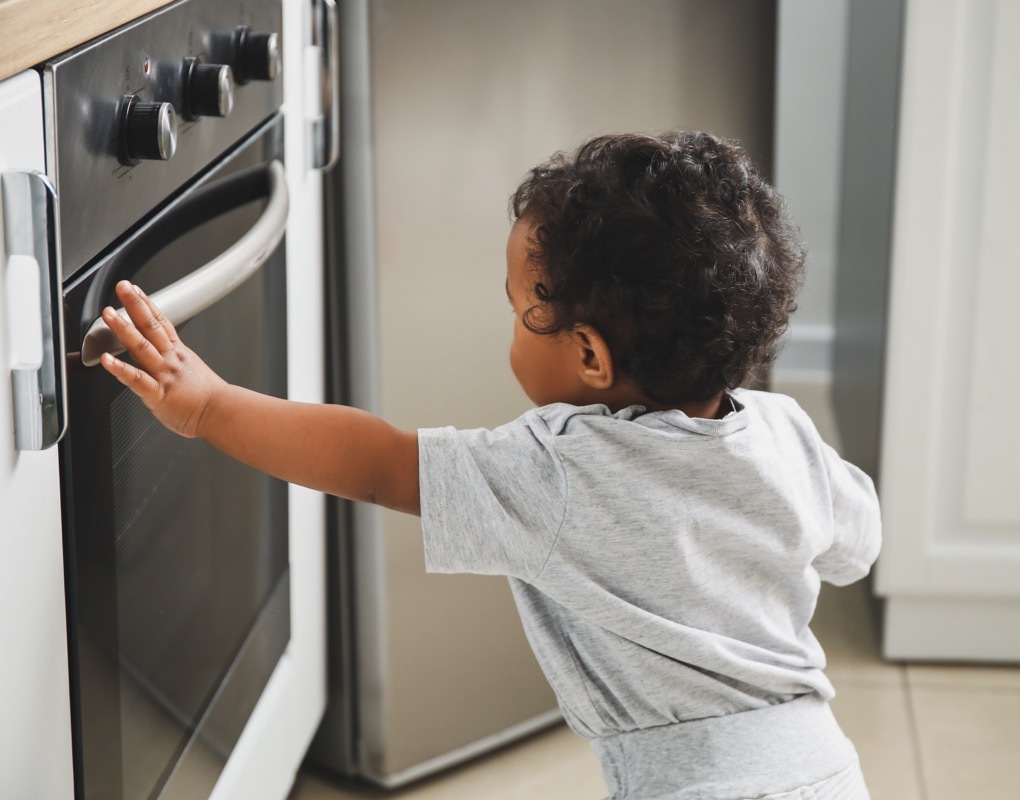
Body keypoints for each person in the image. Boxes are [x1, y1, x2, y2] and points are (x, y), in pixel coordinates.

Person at [100, 131, 880, 800]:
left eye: (518, 313)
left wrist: (209, 407)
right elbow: (858, 542)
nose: (508, 330)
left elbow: (374, 462)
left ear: (588, 355)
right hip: (826, 769)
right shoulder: (783, 430)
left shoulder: (557, 473)